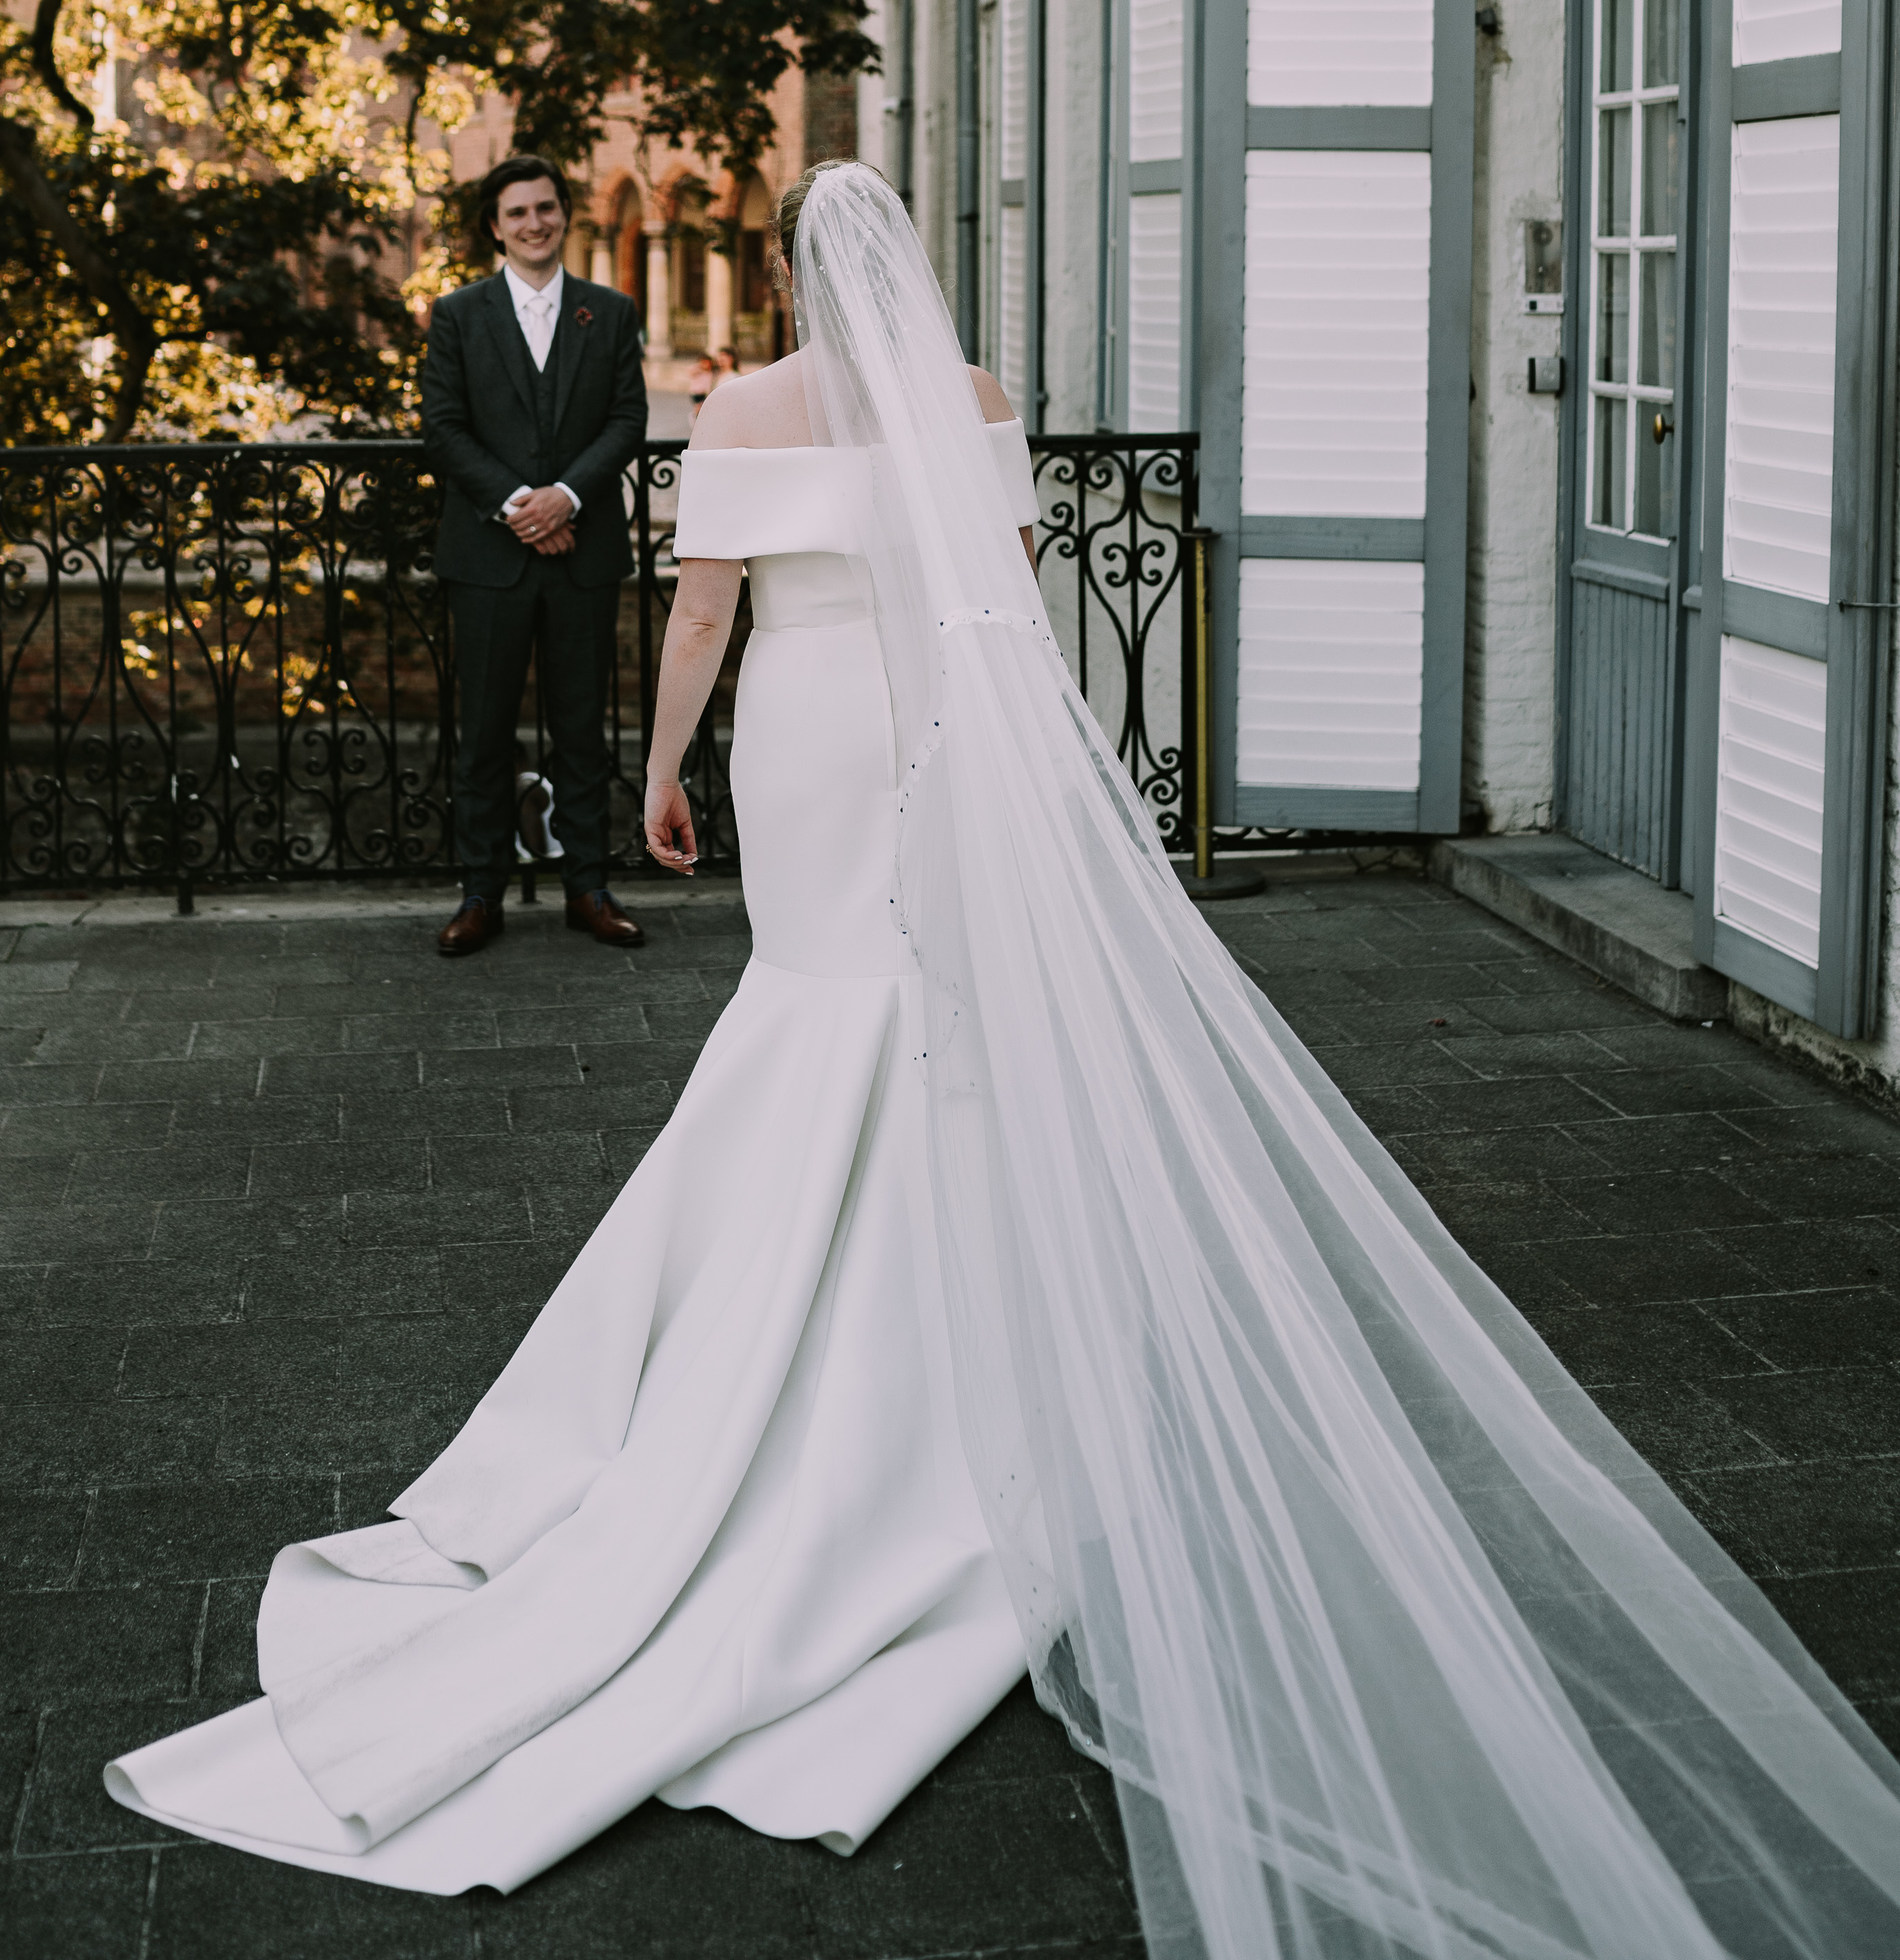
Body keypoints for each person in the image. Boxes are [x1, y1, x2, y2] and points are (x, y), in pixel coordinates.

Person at [106, 164, 1900, 1954]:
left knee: (810, 1000)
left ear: (798, 277)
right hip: (944, 724)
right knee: (924, 1012)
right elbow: (1014, 596)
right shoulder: (968, 403)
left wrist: (655, 767)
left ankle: (775, 1363)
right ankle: (939, 1372)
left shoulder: (738, 403)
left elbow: (707, 612)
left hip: (801, 726)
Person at [417, 153, 649, 956]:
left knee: (584, 730)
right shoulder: (458, 314)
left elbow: (626, 420)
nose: (534, 223)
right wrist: (521, 504)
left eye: (546, 208)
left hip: (583, 554)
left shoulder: (610, 312)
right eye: (517, 213)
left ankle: (588, 889)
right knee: (482, 732)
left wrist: (567, 497)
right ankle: (481, 894)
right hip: (489, 557)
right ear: (496, 226)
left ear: (564, 214)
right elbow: (442, 426)